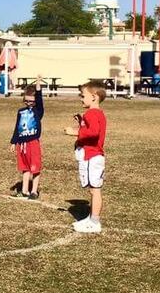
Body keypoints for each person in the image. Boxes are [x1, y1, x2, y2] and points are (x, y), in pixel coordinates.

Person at [64, 80, 108, 234]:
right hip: (93, 156)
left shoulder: (92, 113)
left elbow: (94, 133)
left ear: (94, 97)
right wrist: (82, 121)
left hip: (93, 156)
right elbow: (92, 129)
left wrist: (74, 131)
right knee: (92, 189)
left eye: (83, 96)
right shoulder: (94, 114)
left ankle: (95, 222)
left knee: (95, 190)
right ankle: (91, 219)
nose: (81, 99)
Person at [9, 76, 45, 200]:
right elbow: (17, 127)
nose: (29, 104)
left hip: (32, 143)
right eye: (26, 101)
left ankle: (34, 191)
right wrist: (14, 142)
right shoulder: (20, 112)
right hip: (22, 143)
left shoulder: (37, 111)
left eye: (31, 101)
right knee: (24, 168)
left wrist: (38, 84)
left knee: (35, 168)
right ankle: (24, 191)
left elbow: (40, 99)